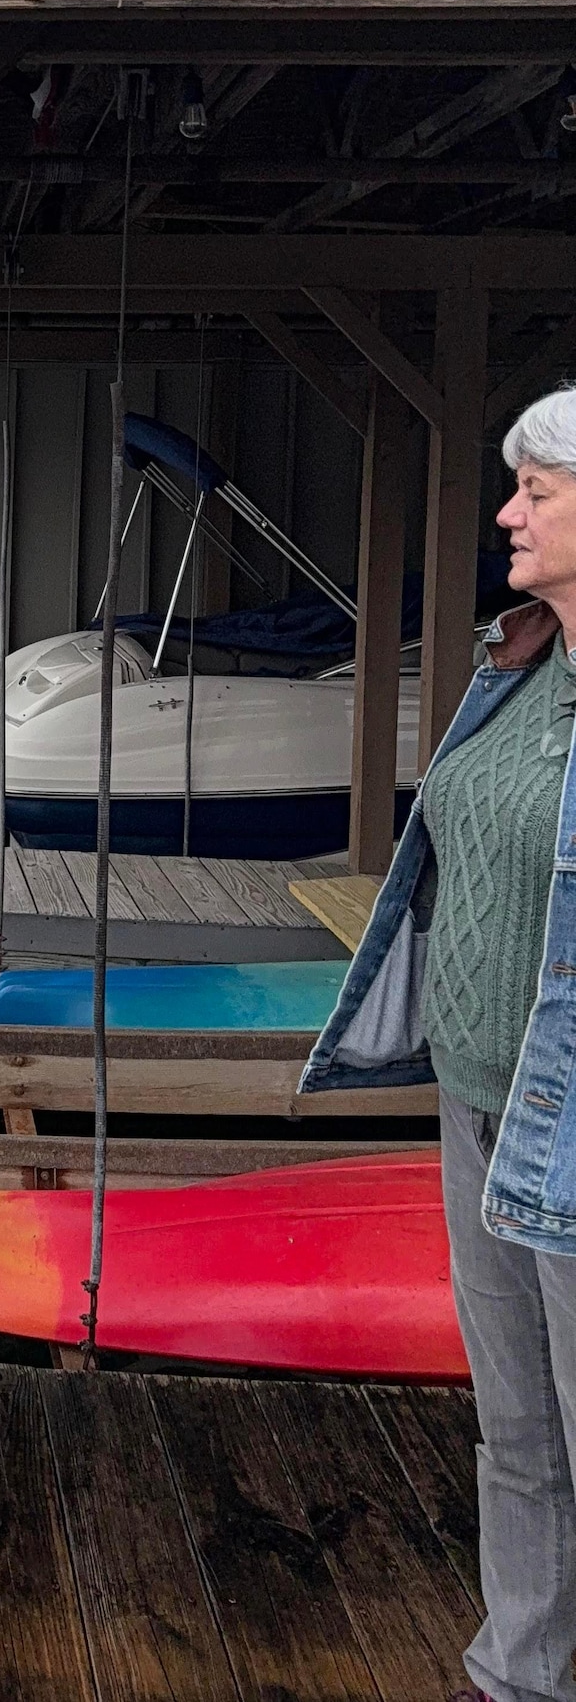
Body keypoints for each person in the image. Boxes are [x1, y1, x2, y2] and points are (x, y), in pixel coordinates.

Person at [308, 385, 576, 1702]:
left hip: (570, 1121)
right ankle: (518, 1672)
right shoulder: (513, 656)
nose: (510, 513)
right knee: (517, 1428)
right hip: (473, 1099)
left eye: (539, 490)